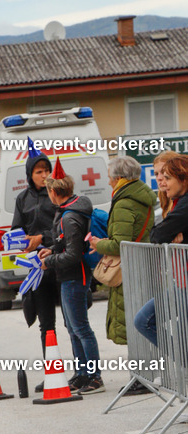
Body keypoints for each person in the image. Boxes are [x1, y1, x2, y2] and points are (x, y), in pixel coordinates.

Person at [39, 163, 104, 394]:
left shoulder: (69, 216)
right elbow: (67, 244)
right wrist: (51, 250)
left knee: (81, 328)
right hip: (68, 275)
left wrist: (49, 261)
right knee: (72, 327)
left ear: (53, 191)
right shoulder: (68, 210)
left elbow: (74, 254)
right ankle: (82, 373)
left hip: (75, 276)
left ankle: (94, 377)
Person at [89, 155, 154, 348]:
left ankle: (141, 366)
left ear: (119, 178)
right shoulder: (142, 197)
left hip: (128, 271)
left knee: (133, 327)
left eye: (110, 177)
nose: (108, 181)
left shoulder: (124, 203)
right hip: (142, 265)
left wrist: (98, 244)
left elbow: (120, 244)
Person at [10, 139, 59, 392]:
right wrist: (22, 242)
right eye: (39, 171)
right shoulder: (22, 198)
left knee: (75, 323)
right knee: (46, 324)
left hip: (60, 263)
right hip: (37, 270)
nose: (44, 175)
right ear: (30, 174)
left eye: (47, 170)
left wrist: (43, 238)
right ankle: (53, 373)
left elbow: (66, 228)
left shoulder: (57, 193)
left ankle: (85, 374)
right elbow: (16, 230)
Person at [133, 155, 188, 347]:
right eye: (158, 175)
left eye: (167, 177)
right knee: (144, 321)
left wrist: (168, 234)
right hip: (181, 281)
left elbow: (158, 234)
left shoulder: (184, 206)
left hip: (184, 282)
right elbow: (158, 233)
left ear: (183, 179)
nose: (162, 181)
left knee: (144, 321)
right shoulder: (178, 202)